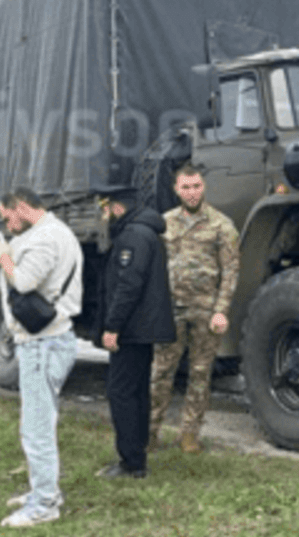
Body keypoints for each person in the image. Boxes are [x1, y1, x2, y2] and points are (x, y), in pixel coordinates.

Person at [0, 187, 83, 528]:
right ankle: (43, 491)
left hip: (43, 343)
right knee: (39, 422)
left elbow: (25, 282)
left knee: (37, 428)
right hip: (47, 342)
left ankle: (44, 504)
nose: (7, 224)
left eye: (8, 216)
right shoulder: (52, 232)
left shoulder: (46, 237)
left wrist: (3, 256)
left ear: (23, 207)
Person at [149, 164, 239, 453]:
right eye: (186, 187)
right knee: (161, 372)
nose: (191, 193)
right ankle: (150, 431)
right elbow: (154, 267)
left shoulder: (221, 225)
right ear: (176, 189)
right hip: (171, 310)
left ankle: (190, 434)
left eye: (196, 186)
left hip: (205, 311)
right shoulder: (164, 223)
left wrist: (221, 310)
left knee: (200, 374)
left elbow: (231, 271)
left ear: (204, 187)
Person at [96, 186, 175, 479]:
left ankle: (131, 462)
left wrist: (112, 325)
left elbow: (128, 285)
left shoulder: (132, 236)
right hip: (143, 329)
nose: (103, 215)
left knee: (122, 394)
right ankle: (137, 455)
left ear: (116, 208)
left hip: (131, 328)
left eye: (104, 209)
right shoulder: (147, 232)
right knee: (138, 391)